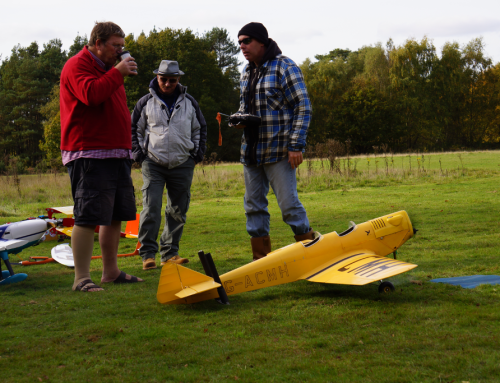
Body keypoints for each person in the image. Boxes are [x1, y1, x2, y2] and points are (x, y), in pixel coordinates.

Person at [59, 21, 142, 292]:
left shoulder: (108, 70)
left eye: (122, 46)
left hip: (116, 152)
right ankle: (81, 278)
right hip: (89, 153)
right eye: (115, 46)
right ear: (98, 43)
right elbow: (91, 95)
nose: (120, 51)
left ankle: (111, 272)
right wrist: (117, 73)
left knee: (115, 215)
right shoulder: (77, 65)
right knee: (87, 215)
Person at [234, 22, 314, 261]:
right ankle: (261, 260)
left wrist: (296, 145)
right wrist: (238, 118)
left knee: (289, 207)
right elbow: (243, 107)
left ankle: (312, 252)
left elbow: (303, 106)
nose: (242, 46)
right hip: (251, 153)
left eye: (246, 41)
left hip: (279, 152)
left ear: (262, 41)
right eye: (239, 42)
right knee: (253, 208)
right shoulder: (246, 73)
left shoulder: (284, 66)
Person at [131, 60, 207, 270]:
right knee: (151, 207)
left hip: (183, 163)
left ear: (178, 79)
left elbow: (200, 128)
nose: (167, 83)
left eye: (172, 80)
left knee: (178, 210)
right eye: (163, 79)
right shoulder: (145, 102)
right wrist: (139, 155)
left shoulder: (190, 102)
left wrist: (196, 154)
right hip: (153, 163)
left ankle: (170, 253)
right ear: (157, 77)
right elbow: (134, 129)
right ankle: (148, 254)